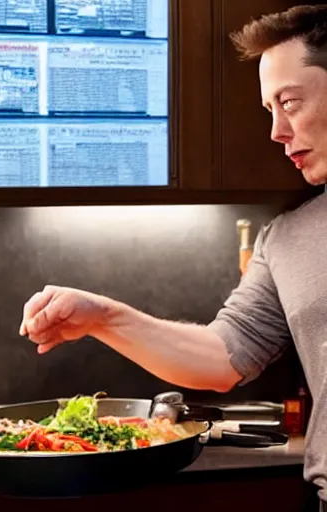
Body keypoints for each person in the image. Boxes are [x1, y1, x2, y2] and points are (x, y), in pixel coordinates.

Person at [19, 4, 327, 509]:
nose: (276, 131)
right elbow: (222, 356)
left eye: (289, 103)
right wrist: (104, 317)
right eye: (268, 109)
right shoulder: (287, 240)